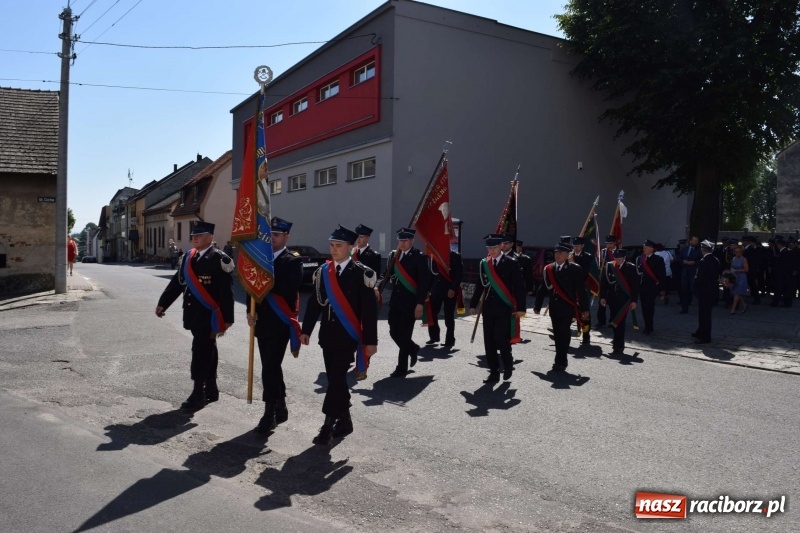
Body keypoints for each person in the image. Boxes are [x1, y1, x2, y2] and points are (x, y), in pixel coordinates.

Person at [300, 225, 378, 446]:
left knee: (335, 379)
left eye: (339, 246)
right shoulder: (323, 272)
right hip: (328, 336)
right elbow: (314, 303)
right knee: (337, 381)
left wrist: (370, 342)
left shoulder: (362, 273)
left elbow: (369, 312)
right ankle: (345, 421)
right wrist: (306, 330)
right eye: (332, 245)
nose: (333, 249)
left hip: (348, 336)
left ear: (351, 247)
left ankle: (327, 426)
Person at [155, 221, 235, 410]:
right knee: (208, 348)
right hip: (193, 313)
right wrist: (163, 303)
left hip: (209, 314)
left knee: (200, 351)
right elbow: (177, 282)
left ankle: (198, 392)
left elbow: (227, 292)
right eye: (193, 235)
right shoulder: (188, 257)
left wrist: (228, 319)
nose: (195, 238)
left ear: (210, 237)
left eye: (199, 235)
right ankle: (211, 388)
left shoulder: (219, 259)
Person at [245, 217, 303, 434]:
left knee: (269, 367)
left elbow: (289, 288)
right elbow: (251, 289)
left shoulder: (292, 261)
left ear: (286, 237)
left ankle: (269, 413)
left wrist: (264, 277)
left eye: (277, 235)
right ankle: (281, 406)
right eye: (270, 235)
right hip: (262, 322)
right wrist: (250, 311)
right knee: (271, 366)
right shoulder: (261, 259)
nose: (272, 239)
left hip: (280, 322)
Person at [470, 234, 526, 382]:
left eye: (494, 247)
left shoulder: (511, 263)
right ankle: (494, 372)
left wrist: (521, 307)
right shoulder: (484, 264)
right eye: (489, 248)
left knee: (501, 338)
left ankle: (508, 365)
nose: (492, 250)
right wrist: (473, 304)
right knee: (489, 341)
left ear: (501, 246)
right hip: (488, 307)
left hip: (504, 307)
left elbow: (519, 286)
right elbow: (480, 285)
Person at [534, 242, 589, 373]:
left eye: (561, 253)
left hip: (567, 306)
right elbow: (543, 288)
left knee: (564, 333)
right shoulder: (549, 268)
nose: (557, 255)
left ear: (567, 255)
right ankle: (560, 358)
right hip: (554, 306)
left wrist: (584, 309)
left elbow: (581, 290)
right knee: (557, 333)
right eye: (556, 252)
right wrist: (537, 305)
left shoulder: (575, 269)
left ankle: (561, 360)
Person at [382, 227, 430, 377]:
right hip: (396, 301)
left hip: (411, 302)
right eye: (400, 240)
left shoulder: (419, 257)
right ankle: (412, 348)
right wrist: (377, 288)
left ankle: (401, 368)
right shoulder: (393, 255)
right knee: (393, 331)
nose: (402, 243)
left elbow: (424, 283)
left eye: (405, 240)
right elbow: (386, 274)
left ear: (412, 240)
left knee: (404, 333)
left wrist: (420, 303)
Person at [599, 249, 639, 354]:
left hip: (625, 299)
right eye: (616, 258)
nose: (618, 261)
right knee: (613, 320)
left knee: (620, 321)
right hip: (612, 298)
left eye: (620, 259)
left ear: (624, 258)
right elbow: (604, 283)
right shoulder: (609, 266)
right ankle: (617, 341)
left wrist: (634, 301)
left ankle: (619, 345)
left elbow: (635, 286)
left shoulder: (630, 267)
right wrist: (602, 297)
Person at [426, 245, 464, 347]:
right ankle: (434, 336)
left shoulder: (454, 256)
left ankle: (450, 340)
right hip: (436, 290)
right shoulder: (434, 256)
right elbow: (432, 274)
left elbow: (459, 274)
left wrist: (453, 288)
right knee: (432, 314)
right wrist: (428, 289)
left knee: (448, 316)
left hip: (449, 290)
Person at [693, 240, 722, 344]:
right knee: (706, 314)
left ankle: (704, 337)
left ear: (702, 249)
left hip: (704, 291)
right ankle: (700, 332)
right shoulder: (716, 260)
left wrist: (695, 287)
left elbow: (699, 277)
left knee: (704, 315)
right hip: (713, 291)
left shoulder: (703, 261)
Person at [636, 239, 667, 334]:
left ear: (651, 249)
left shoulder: (658, 259)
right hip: (642, 287)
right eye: (643, 247)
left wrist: (662, 289)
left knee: (649, 307)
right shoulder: (640, 258)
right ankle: (647, 325)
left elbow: (662, 275)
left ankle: (649, 327)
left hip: (652, 287)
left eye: (646, 247)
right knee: (644, 308)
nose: (644, 249)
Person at [570, 236, 595, 345]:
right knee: (571, 311)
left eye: (578, 246)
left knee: (585, 314)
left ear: (582, 246)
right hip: (571, 289)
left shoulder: (587, 257)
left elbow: (584, 273)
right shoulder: (569, 256)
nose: (575, 248)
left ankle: (586, 335)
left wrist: (573, 263)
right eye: (574, 246)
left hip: (583, 289)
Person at [596, 235, 618, 327]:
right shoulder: (604, 252)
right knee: (602, 300)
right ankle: (601, 321)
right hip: (604, 278)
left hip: (615, 279)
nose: (608, 245)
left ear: (615, 243)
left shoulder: (619, 252)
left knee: (613, 303)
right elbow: (600, 263)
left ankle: (613, 320)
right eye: (607, 243)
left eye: (610, 243)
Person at [679, 236, 702, 313]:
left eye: (697, 241)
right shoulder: (685, 249)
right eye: (695, 241)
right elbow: (679, 258)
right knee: (684, 289)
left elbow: (702, 260)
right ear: (690, 241)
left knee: (693, 289)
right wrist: (683, 261)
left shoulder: (699, 250)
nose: (696, 242)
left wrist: (694, 262)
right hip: (685, 272)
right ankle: (684, 307)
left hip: (694, 271)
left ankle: (701, 304)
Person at [770, 236, 793, 307]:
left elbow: (783, 264)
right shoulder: (785, 251)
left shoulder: (784, 252)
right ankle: (786, 302)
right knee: (784, 289)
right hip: (784, 274)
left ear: (779, 245)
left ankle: (777, 302)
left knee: (780, 288)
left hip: (782, 274)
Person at [729, 245, 749, 315]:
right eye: (735, 252)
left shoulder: (744, 259)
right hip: (735, 277)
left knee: (737, 293)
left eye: (739, 252)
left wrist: (737, 270)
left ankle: (733, 309)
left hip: (741, 277)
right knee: (737, 293)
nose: (737, 253)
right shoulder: (733, 258)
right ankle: (744, 305)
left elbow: (746, 270)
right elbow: (731, 267)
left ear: (742, 252)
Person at [742, 236, 763, 304]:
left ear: (747, 241)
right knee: (751, 284)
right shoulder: (747, 249)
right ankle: (756, 298)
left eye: (743, 241)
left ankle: (757, 299)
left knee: (752, 285)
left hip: (750, 270)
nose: (742, 242)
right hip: (748, 269)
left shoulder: (750, 249)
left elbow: (752, 261)